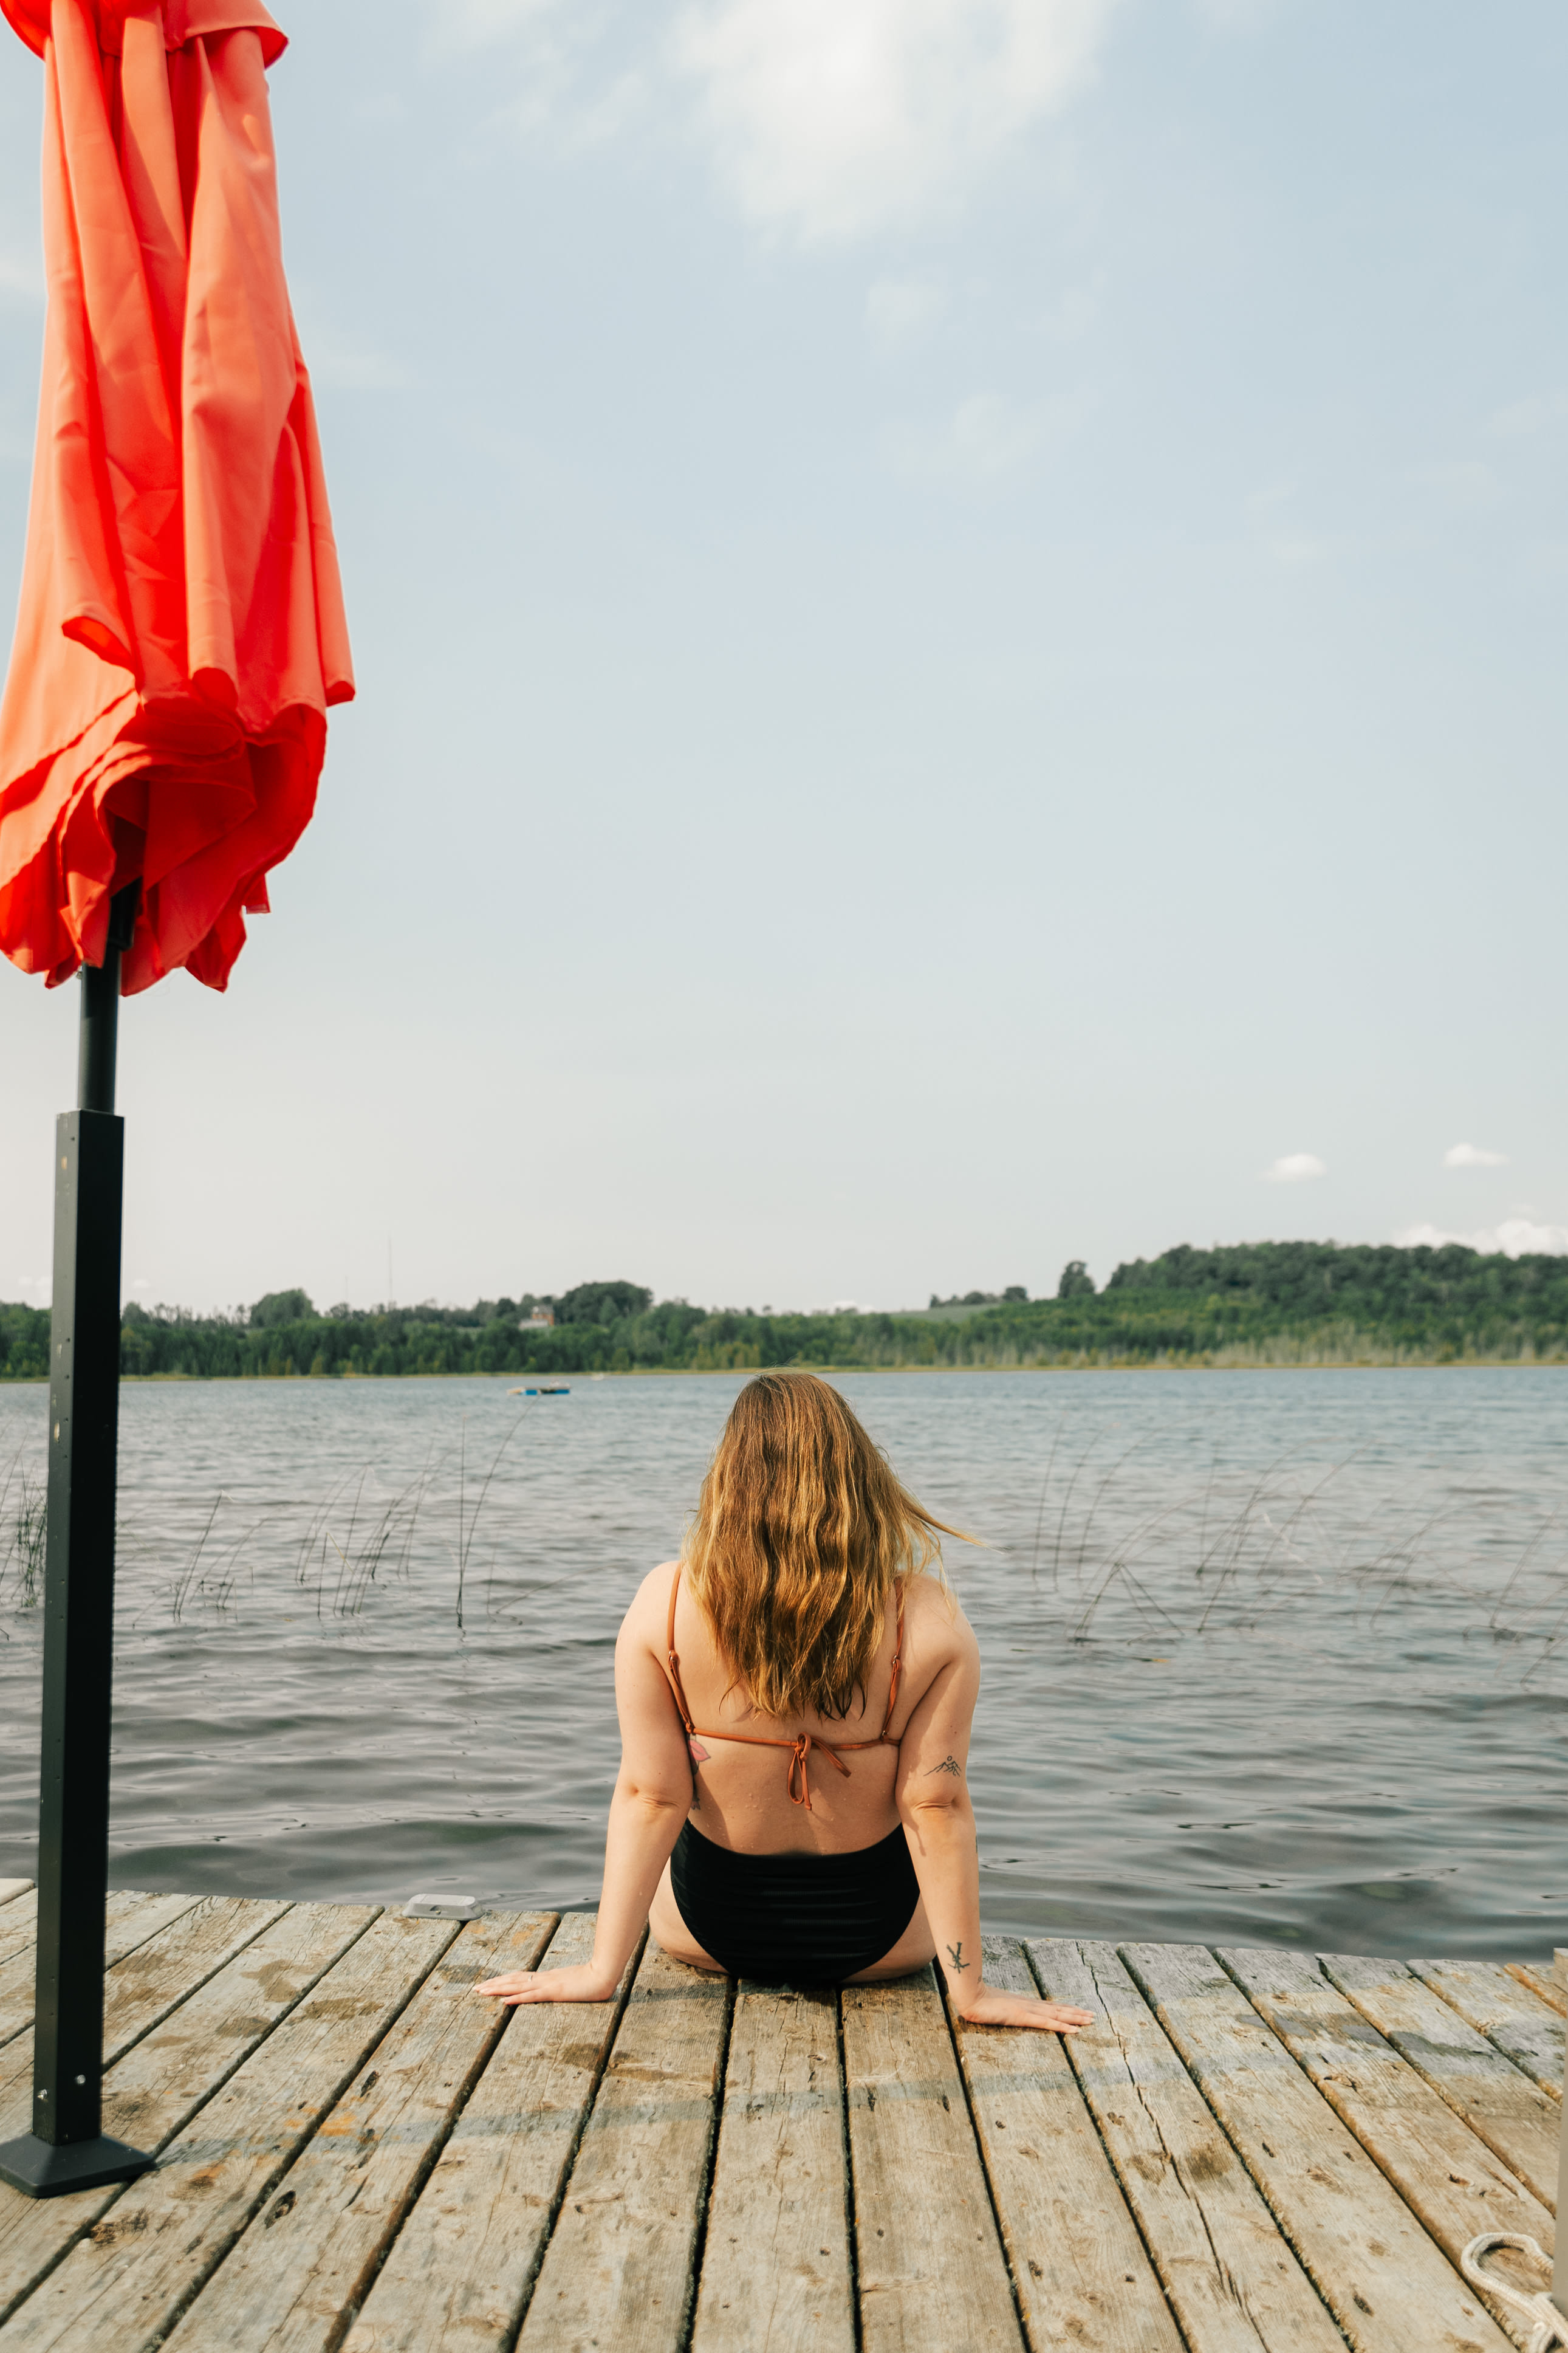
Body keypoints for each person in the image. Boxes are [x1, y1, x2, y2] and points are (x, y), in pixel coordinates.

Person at [477, 1369, 1094, 2033]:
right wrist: (970, 1993)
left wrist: (601, 1971)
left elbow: (650, 1797)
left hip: (708, 1935)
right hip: (883, 1944)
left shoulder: (667, 1600)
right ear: (859, 1477)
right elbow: (935, 1806)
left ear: (729, 1479)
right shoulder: (928, 1614)